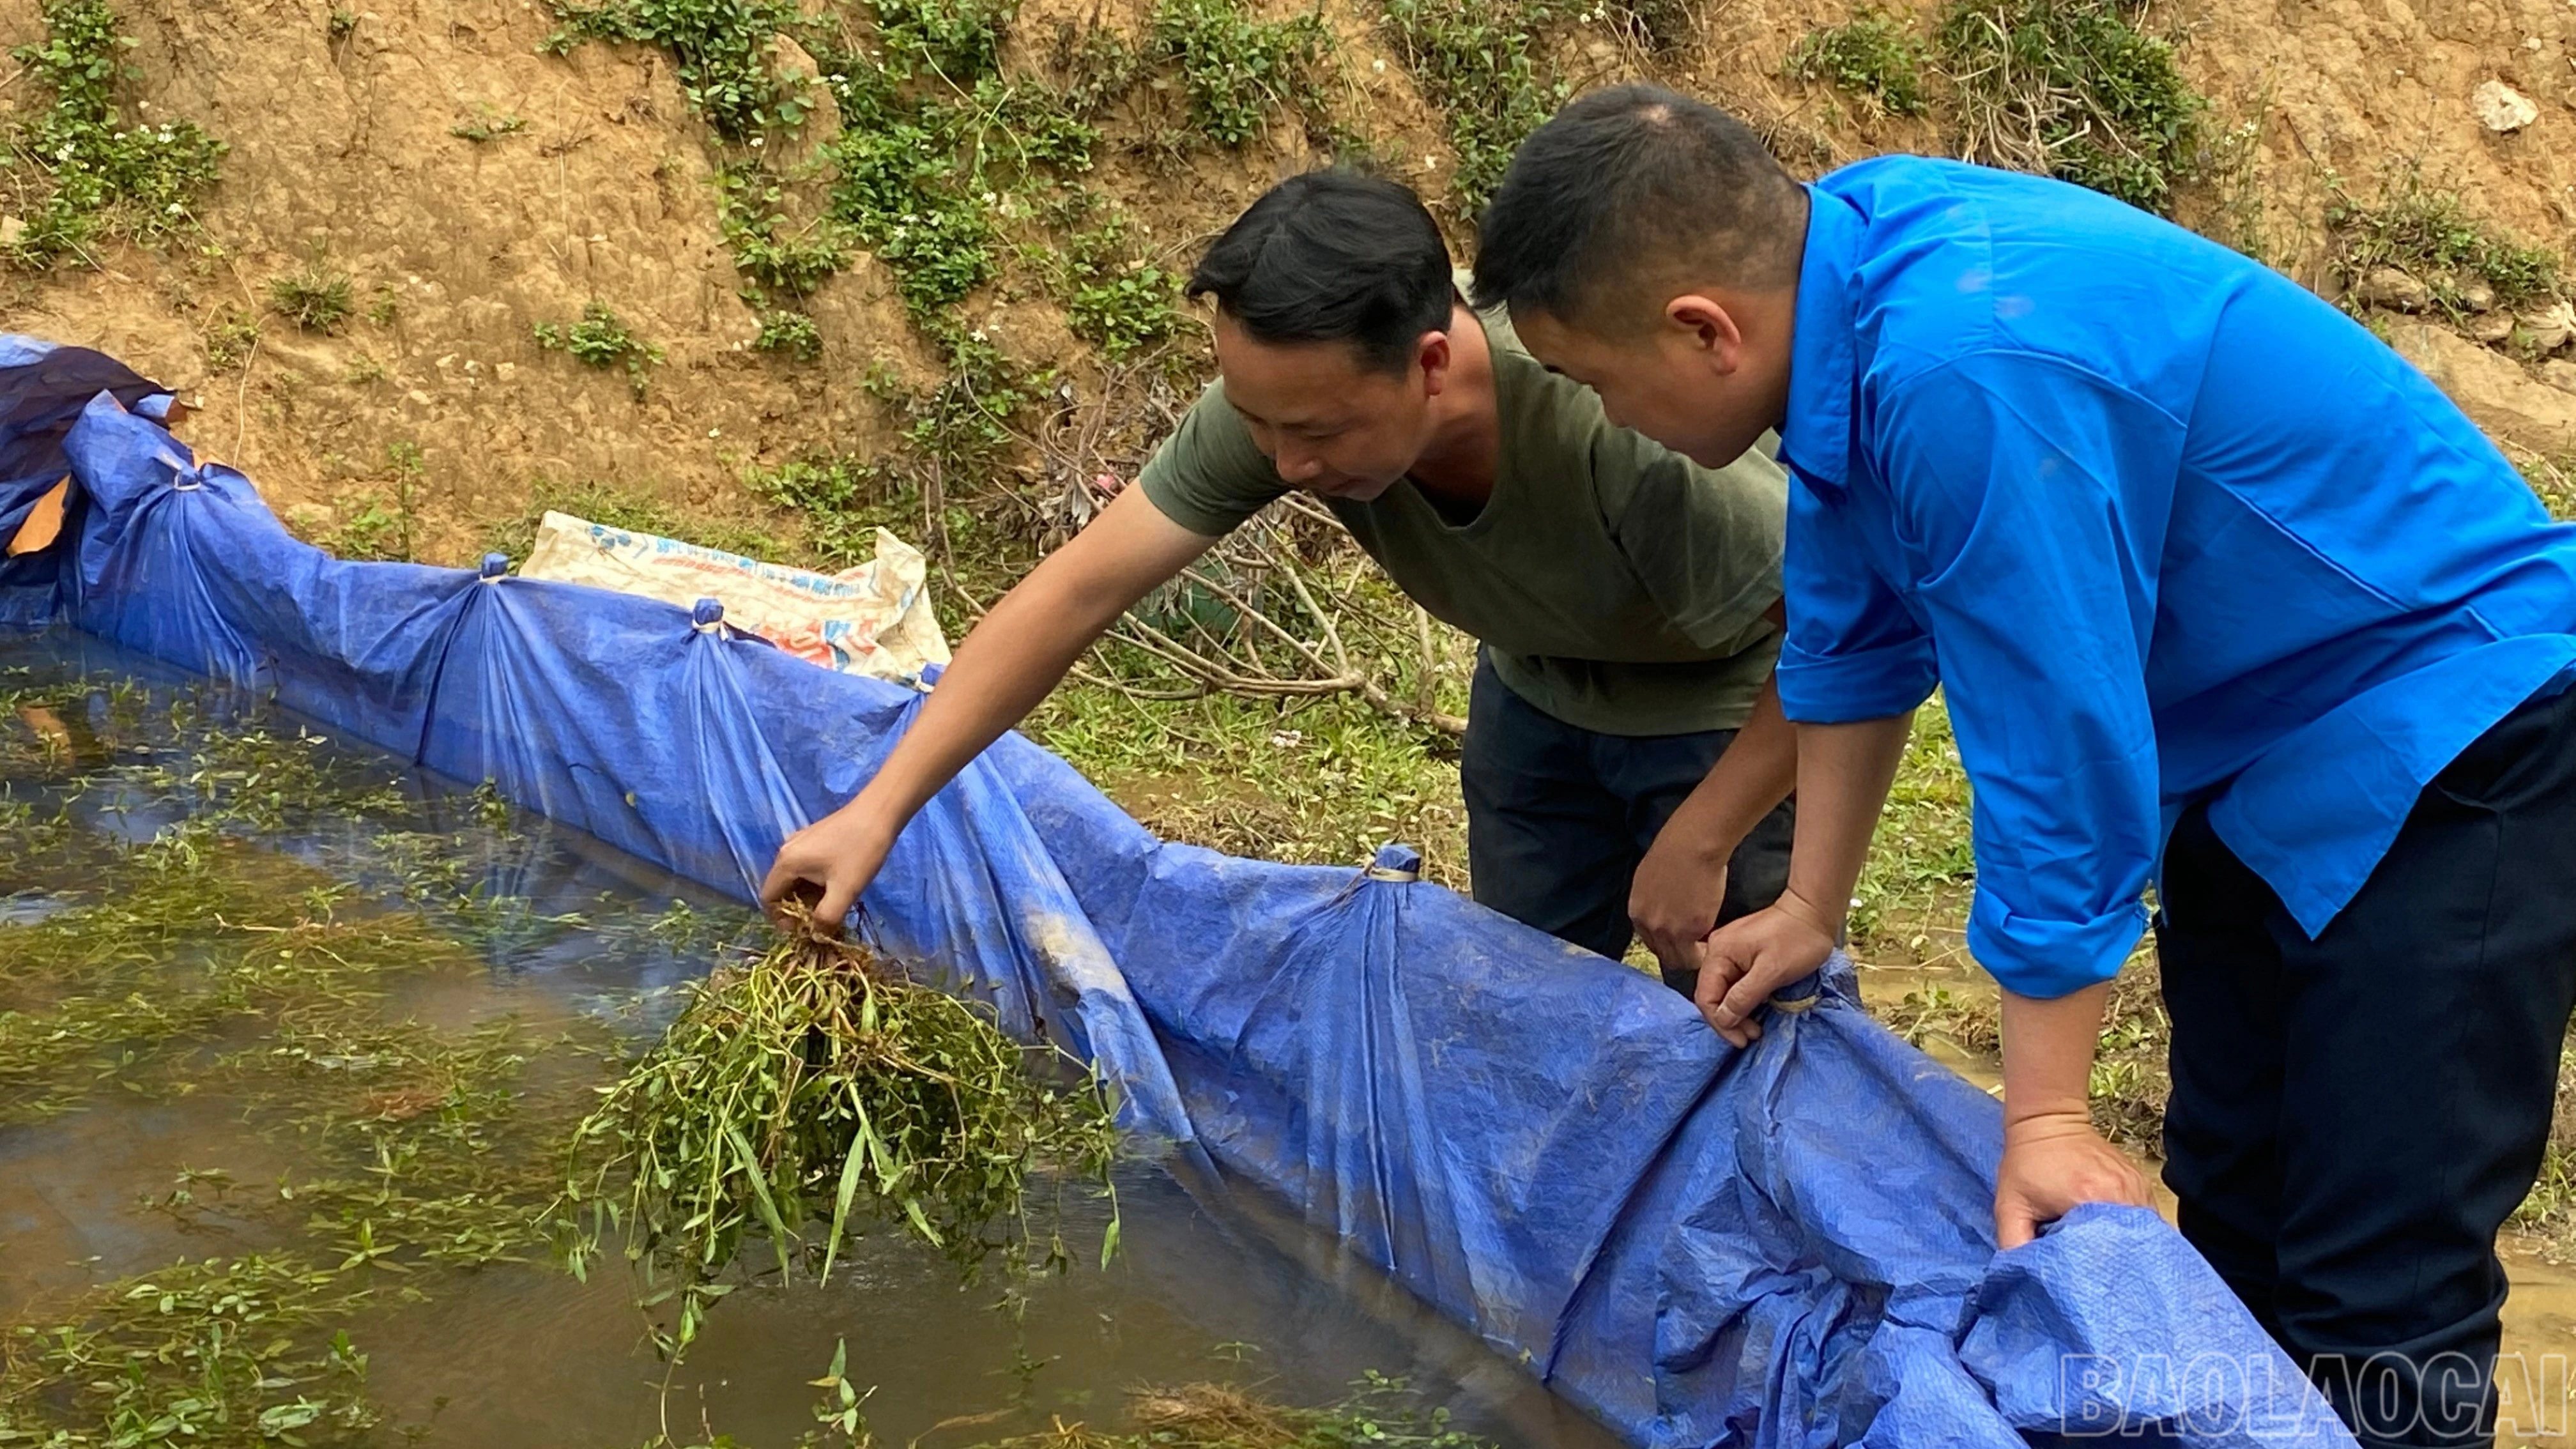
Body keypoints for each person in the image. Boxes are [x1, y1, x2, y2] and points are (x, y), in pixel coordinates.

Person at [1471, 84, 2576, 1448]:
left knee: (2373, 1271)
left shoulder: (1961, 367)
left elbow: (2056, 747)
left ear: (1704, 330)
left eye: (1590, 381)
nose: (1603, 416)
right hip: (2250, 753)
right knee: (2231, 1206)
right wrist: (1810, 906)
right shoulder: (1851, 260)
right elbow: (1856, 629)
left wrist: (2045, 1111)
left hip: (2449, 728)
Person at [762, 169, 1797, 986]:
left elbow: (1848, 637)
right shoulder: (1280, 409)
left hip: (1725, 705)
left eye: (1317, 431)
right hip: (1536, 694)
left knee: (1730, 1000)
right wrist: (882, 808)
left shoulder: (1621, 436)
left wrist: (1705, 835)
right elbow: (1078, 589)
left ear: (1431, 364)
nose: (1287, 465)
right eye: (1259, 425)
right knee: (1519, 993)